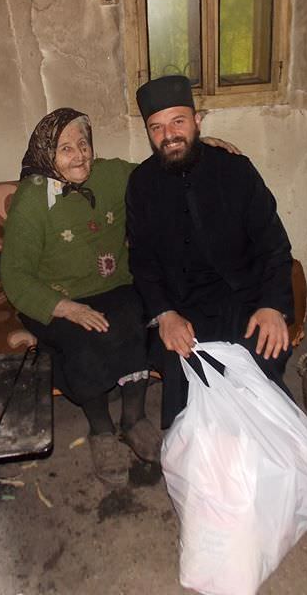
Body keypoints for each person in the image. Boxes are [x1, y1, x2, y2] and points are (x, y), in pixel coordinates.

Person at [0, 107, 239, 485]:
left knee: (137, 321)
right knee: (85, 342)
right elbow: (14, 275)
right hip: (57, 296)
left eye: (83, 144)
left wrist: (198, 147)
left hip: (114, 286)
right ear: (47, 153)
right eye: (66, 149)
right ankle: (101, 430)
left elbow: (158, 172)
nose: (80, 156)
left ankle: (134, 419)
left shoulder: (110, 175)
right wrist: (67, 308)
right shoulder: (31, 200)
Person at [125, 75, 296, 429]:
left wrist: (272, 305)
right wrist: (165, 314)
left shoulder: (236, 170)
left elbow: (273, 244)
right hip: (181, 306)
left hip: (245, 298)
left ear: (198, 121)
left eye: (178, 121)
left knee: (259, 364)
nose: (169, 135)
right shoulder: (141, 183)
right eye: (157, 127)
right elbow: (142, 260)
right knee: (188, 375)